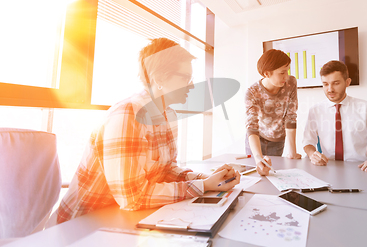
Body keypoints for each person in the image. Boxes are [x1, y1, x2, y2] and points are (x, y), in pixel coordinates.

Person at [56, 38, 240, 223]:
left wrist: (206, 178)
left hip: (120, 217)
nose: (191, 85)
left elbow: (166, 170)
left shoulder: (168, 114)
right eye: (185, 78)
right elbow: (132, 198)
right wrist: (202, 186)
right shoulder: (128, 114)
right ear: (158, 78)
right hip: (82, 223)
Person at [302, 60, 367, 173]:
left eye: (336, 83)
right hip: (327, 169)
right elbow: (308, 142)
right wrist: (312, 155)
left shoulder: (365, 108)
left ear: (347, 82)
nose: (330, 89)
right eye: (325, 84)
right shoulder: (315, 110)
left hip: (361, 169)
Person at [245, 49, 301, 176]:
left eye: (287, 71)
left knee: (274, 176)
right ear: (267, 74)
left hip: (277, 140)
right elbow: (252, 126)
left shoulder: (291, 83)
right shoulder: (252, 93)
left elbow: (291, 117)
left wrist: (292, 151)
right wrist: (258, 158)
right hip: (255, 139)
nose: (286, 77)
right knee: (255, 175)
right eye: (282, 73)